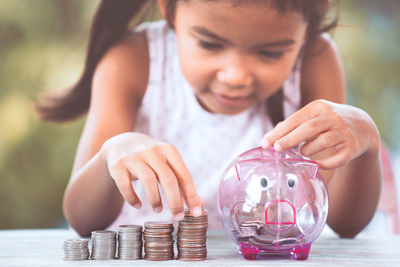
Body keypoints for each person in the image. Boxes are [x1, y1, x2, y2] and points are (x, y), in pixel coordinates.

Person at [36, 0, 381, 238]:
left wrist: (367, 145)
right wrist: (114, 153)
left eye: (270, 52)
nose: (235, 75)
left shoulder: (315, 61)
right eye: (209, 44)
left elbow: (344, 224)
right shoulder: (131, 60)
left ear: (313, 17)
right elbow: (80, 218)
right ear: (169, 8)